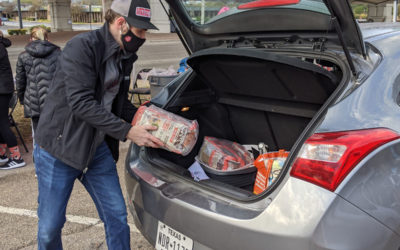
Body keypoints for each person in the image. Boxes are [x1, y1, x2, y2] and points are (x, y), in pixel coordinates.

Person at [33, 0, 164, 249]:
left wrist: (149, 118)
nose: (144, 37)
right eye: (140, 31)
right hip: (60, 148)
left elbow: (117, 101)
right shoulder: (82, 47)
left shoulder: (124, 56)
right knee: (50, 227)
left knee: (116, 216)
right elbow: (81, 103)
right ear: (120, 23)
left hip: (97, 149)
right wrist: (128, 131)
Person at [15, 26, 61, 142]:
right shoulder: (58, 53)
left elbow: (20, 81)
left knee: (38, 134)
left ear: (31, 39)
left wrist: (23, 99)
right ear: (47, 38)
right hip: (55, 100)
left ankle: (39, 158)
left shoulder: (23, 55)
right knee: (56, 134)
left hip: (33, 100)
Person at [0, 30, 26, 170]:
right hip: (4, 89)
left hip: (2, 90)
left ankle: (17, 157)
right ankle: (3, 154)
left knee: (3, 123)